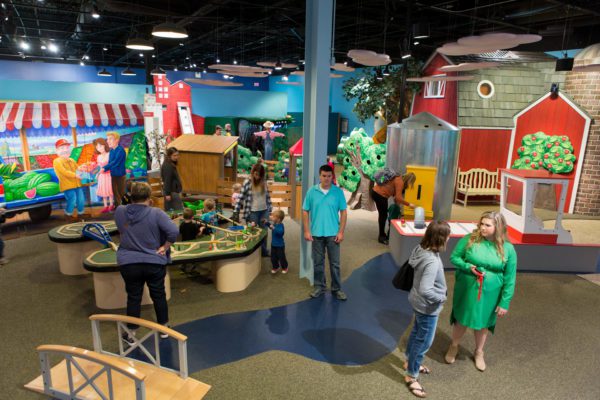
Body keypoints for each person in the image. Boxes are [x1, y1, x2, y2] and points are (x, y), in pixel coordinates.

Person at [445, 211, 517, 372]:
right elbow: (454, 258)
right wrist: (468, 267)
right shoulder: (469, 239)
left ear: (498, 227)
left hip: (491, 292)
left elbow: (510, 279)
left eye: (487, 225)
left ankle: (479, 352)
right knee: (461, 318)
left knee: (483, 323)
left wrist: (505, 302)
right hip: (467, 287)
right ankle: (454, 345)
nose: (482, 228)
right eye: (481, 224)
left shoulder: (508, 249)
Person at [114, 182, 179, 340]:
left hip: (128, 262)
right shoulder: (156, 213)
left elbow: (122, 226)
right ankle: (163, 327)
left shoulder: (120, 211)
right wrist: (165, 246)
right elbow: (173, 231)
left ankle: (131, 332)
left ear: (131, 196)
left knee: (133, 296)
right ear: (149, 198)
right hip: (154, 261)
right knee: (158, 295)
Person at [403, 220, 451, 398]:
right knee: (423, 342)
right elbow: (426, 289)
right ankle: (411, 375)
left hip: (416, 302)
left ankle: (409, 361)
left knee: (417, 332)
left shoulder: (420, 249)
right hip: (427, 306)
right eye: (447, 236)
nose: (448, 239)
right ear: (441, 238)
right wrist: (442, 297)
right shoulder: (431, 260)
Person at [303, 164, 348, 300]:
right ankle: (319, 286)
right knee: (318, 262)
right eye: (324, 176)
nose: (326, 178)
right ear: (319, 176)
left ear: (332, 176)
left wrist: (341, 232)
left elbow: (344, 212)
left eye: (329, 176)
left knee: (335, 263)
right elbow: (305, 211)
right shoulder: (311, 192)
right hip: (316, 233)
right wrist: (306, 230)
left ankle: (336, 289)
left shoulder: (338, 192)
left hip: (333, 234)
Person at [233, 163, 272, 256]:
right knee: (253, 232)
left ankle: (263, 252)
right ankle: (253, 253)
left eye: (259, 175)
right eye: (256, 174)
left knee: (264, 232)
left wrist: (270, 207)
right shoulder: (247, 182)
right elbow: (240, 198)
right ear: (253, 173)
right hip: (252, 212)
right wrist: (236, 212)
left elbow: (267, 196)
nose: (257, 177)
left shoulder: (264, 182)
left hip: (264, 211)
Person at [372, 170, 417, 245]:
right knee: (383, 216)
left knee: (383, 215)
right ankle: (381, 237)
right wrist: (409, 204)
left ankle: (382, 235)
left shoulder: (397, 178)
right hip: (379, 195)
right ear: (409, 180)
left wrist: (398, 208)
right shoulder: (400, 182)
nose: (410, 185)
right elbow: (398, 198)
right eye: (411, 182)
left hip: (376, 193)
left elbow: (395, 197)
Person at [53, 139, 85, 221]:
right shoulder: (57, 161)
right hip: (67, 185)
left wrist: (82, 168)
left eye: (67, 148)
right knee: (72, 199)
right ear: (57, 151)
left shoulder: (72, 160)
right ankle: (68, 214)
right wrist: (76, 175)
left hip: (77, 184)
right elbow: (64, 172)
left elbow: (77, 169)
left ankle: (81, 213)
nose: (65, 150)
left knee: (81, 199)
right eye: (62, 148)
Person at [102, 132, 127, 210]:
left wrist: (104, 168)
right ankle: (118, 207)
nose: (108, 141)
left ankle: (126, 207)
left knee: (122, 192)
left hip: (120, 175)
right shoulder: (112, 151)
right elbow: (110, 163)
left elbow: (115, 162)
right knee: (115, 192)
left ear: (117, 140)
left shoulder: (120, 150)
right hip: (113, 175)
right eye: (107, 139)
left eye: (110, 139)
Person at [179, 207, 205, 274]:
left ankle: (183, 265)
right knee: (193, 254)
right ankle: (193, 266)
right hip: (192, 243)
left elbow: (180, 232)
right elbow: (198, 234)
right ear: (192, 217)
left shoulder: (181, 225)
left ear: (183, 217)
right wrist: (201, 228)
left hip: (184, 243)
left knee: (184, 254)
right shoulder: (194, 226)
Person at [93, 138, 113, 213]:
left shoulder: (109, 154)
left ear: (105, 145)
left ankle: (111, 205)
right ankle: (105, 206)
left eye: (101, 146)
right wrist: (96, 174)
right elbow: (99, 167)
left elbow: (111, 165)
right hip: (102, 176)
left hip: (109, 175)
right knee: (104, 191)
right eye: (97, 147)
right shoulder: (98, 157)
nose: (99, 148)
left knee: (109, 190)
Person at [161, 147, 183, 211]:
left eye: (177, 155)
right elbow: (167, 180)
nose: (176, 157)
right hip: (171, 192)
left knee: (175, 210)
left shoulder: (170, 163)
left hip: (173, 191)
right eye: (174, 155)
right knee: (178, 210)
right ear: (169, 155)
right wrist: (167, 194)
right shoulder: (168, 166)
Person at [267, 209, 288, 274]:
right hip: (273, 244)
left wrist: (273, 228)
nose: (272, 218)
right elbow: (271, 227)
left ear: (278, 219)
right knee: (273, 257)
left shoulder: (281, 225)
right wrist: (267, 223)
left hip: (280, 245)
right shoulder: (274, 224)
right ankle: (275, 267)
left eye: (273, 217)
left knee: (281, 257)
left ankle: (285, 267)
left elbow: (280, 233)